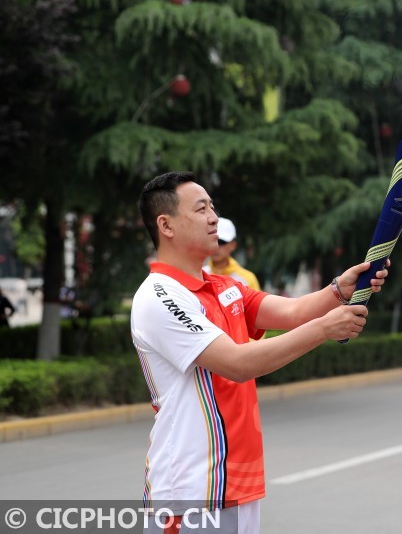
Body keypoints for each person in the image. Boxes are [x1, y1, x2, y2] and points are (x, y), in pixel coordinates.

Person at [131, 171, 387, 532]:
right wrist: (326, 329)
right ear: (166, 224)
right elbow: (237, 363)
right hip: (191, 486)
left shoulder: (225, 286)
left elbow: (293, 312)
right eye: (201, 208)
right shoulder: (159, 296)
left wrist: (339, 289)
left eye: (213, 207)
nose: (213, 217)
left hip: (237, 479)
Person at [206, 217, 262, 291]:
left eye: (222, 242)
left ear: (233, 245)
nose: (216, 246)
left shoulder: (248, 279)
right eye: (213, 240)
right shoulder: (198, 275)